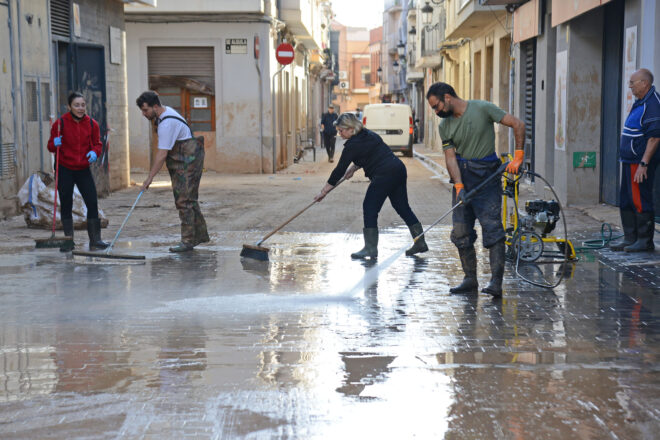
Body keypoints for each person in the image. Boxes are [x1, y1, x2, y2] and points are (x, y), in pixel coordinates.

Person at [426, 82, 525, 297]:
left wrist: (518, 157)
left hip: (487, 177)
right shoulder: (445, 126)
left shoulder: (483, 108)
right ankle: (470, 279)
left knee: (493, 230)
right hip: (463, 177)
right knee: (461, 232)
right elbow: (450, 157)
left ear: (447, 97)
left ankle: (496, 283)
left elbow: (518, 124)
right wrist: (459, 185)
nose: (436, 112)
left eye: (436, 106)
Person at [314, 113, 428, 259]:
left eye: (341, 130)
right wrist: (353, 169)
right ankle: (420, 242)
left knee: (369, 207)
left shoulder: (352, 145)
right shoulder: (368, 134)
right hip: (397, 169)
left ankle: (370, 249)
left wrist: (324, 192)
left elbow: (338, 170)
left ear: (350, 129)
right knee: (402, 207)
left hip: (384, 174)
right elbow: (367, 154)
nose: (339, 133)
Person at [136, 91, 209, 253]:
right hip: (184, 159)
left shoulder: (166, 124)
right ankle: (199, 236)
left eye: (145, 110)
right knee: (189, 199)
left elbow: (162, 154)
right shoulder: (165, 112)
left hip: (188, 160)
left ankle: (188, 240)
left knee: (184, 201)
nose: (143, 114)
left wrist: (149, 179)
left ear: (155, 106)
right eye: (142, 110)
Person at [47, 92, 109, 252]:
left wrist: (95, 152)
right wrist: (54, 142)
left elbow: (97, 143)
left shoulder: (91, 124)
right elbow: (50, 147)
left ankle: (95, 240)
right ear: (69, 107)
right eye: (76, 105)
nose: (80, 108)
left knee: (92, 203)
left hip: (83, 169)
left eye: (83, 105)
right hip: (64, 168)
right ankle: (68, 241)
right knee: (66, 204)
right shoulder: (60, 124)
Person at [610, 68, 660, 252]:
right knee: (627, 199)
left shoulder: (653, 104)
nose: (629, 85)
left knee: (640, 199)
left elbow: (654, 138)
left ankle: (645, 241)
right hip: (629, 160)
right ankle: (630, 238)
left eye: (632, 82)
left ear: (644, 83)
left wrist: (644, 164)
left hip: (640, 163)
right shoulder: (640, 102)